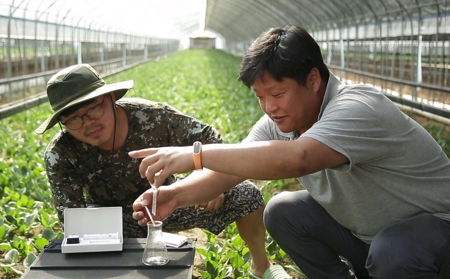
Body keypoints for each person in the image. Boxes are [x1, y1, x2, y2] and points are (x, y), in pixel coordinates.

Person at [130, 24, 450, 279]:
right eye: (260, 97)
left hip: (434, 231)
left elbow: (299, 158)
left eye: (278, 93)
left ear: (312, 79)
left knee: (393, 252)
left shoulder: (357, 107)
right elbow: (231, 170)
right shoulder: (280, 122)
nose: (269, 107)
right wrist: (175, 195)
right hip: (367, 236)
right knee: (283, 211)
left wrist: (195, 155)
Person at [35, 63, 271, 278]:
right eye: (74, 119)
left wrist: (211, 182)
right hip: (113, 221)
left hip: (168, 202)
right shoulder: (61, 154)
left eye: (93, 110)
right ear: (62, 123)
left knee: (245, 193)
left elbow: (210, 139)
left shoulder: (153, 116)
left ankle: (261, 266)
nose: (88, 123)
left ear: (110, 98)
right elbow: (75, 221)